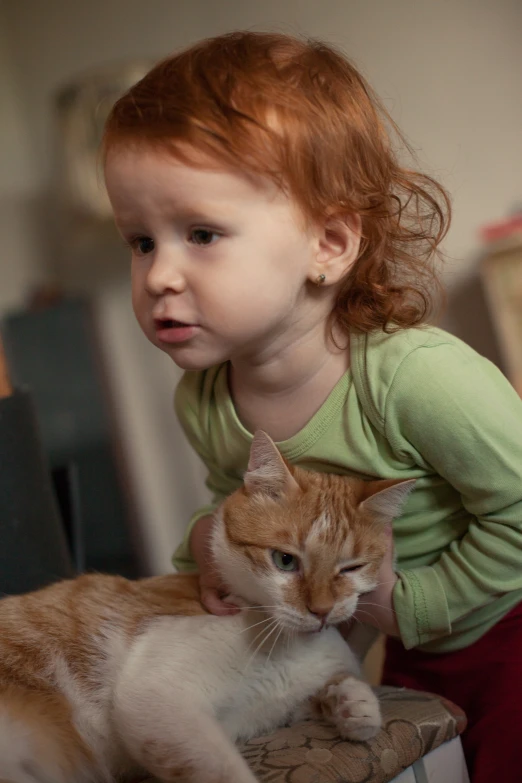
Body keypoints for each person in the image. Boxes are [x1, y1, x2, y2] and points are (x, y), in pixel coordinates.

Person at [102, 31, 522, 782]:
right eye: (139, 241)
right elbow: (233, 505)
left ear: (328, 243)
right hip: (400, 649)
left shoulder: (418, 380)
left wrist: (418, 603)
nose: (159, 273)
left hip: (507, 631)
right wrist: (207, 556)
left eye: (200, 233)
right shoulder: (202, 397)